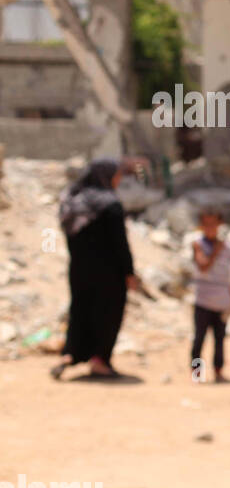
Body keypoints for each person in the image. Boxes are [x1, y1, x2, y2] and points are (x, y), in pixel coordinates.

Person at [51, 158, 141, 380]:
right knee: (107, 314)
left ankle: (70, 354)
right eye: (117, 175)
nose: (119, 179)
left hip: (79, 270)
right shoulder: (110, 205)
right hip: (109, 274)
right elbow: (120, 244)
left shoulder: (72, 203)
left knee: (80, 310)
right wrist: (129, 272)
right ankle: (100, 360)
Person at [190, 208, 230, 382]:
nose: (210, 227)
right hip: (203, 300)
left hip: (222, 302)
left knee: (219, 340)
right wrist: (216, 252)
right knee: (199, 340)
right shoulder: (198, 244)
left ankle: (218, 372)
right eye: (207, 224)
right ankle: (197, 375)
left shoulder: (227, 246)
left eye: (214, 224)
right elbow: (203, 265)